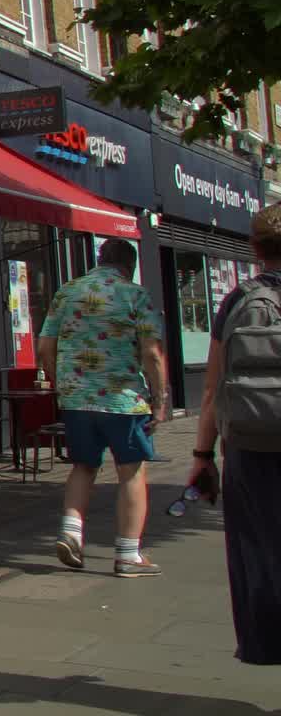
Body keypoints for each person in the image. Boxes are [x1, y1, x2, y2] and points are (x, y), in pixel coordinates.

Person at [37, 238, 169, 578]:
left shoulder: (66, 292)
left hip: (77, 399)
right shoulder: (135, 294)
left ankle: (70, 531)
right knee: (131, 471)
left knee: (83, 465)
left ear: (100, 258)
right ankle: (128, 555)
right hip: (122, 400)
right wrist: (160, 399)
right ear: (130, 264)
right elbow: (152, 354)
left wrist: (59, 383)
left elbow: (45, 346)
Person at [187, 203, 281, 665]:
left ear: (255, 249)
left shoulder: (239, 300)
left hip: (251, 447)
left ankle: (269, 646)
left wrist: (202, 456)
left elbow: (211, 388)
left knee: (262, 555)